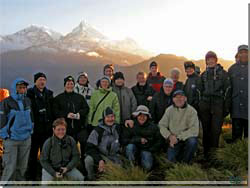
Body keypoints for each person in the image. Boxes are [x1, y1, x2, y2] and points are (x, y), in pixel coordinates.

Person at [199, 51, 231, 159]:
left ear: (216, 60)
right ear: (206, 61)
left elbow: (228, 91)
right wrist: (200, 105)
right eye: (208, 59)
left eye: (212, 59)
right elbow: (199, 91)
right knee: (206, 130)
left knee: (216, 131)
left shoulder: (223, 74)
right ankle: (206, 154)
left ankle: (214, 156)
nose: (210, 61)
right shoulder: (203, 75)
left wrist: (226, 108)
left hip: (218, 105)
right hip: (205, 105)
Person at [0, 78, 33, 181]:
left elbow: (31, 117)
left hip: (26, 138)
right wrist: (5, 136)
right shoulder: (7, 102)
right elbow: (2, 120)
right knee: (10, 166)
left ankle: (19, 184)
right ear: (15, 89)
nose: (22, 89)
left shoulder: (27, 101)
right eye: (20, 87)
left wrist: (30, 130)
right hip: (12, 139)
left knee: (22, 166)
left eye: (24, 87)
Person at [53, 76, 89, 161]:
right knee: (68, 151)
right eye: (68, 84)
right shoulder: (59, 98)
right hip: (66, 130)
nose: (70, 85)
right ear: (64, 85)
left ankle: (83, 168)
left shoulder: (79, 97)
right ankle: (69, 168)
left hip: (80, 128)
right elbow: (55, 111)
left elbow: (86, 109)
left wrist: (78, 114)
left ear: (74, 85)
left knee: (84, 148)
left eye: (71, 84)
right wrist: (66, 115)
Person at [26, 72, 54, 180]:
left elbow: (52, 110)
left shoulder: (49, 94)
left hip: (47, 130)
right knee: (32, 155)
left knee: (45, 155)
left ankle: (45, 177)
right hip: (34, 130)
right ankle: (31, 178)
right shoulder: (29, 94)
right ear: (35, 81)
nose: (42, 81)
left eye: (43, 79)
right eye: (39, 80)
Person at [158, 90, 199, 164]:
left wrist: (178, 137)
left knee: (192, 142)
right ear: (173, 99)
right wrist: (169, 136)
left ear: (185, 98)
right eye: (176, 97)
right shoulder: (169, 110)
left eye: (181, 97)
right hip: (173, 139)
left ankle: (186, 163)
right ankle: (180, 155)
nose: (179, 99)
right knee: (170, 161)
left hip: (186, 138)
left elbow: (194, 130)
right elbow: (161, 125)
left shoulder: (192, 111)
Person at [85, 107, 122, 180]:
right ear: (103, 118)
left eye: (112, 116)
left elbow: (125, 140)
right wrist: (100, 160)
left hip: (114, 158)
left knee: (116, 177)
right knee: (88, 160)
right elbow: (89, 148)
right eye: (108, 117)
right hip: (101, 156)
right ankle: (91, 179)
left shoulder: (118, 128)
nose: (110, 119)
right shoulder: (97, 130)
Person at [122, 105, 163, 171]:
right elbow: (124, 140)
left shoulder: (153, 127)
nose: (142, 117)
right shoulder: (131, 125)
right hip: (134, 148)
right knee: (130, 147)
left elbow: (159, 141)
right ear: (136, 116)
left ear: (147, 116)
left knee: (147, 167)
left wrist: (150, 149)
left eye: (144, 115)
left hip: (147, 150)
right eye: (140, 115)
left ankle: (141, 162)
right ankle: (131, 165)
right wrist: (138, 140)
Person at [228, 45, 248, 141]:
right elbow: (228, 89)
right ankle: (236, 155)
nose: (243, 54)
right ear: (238, 54)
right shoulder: (232, 69)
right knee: (236, 136)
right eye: (241, 52)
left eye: (246, 52)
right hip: (236, 108)